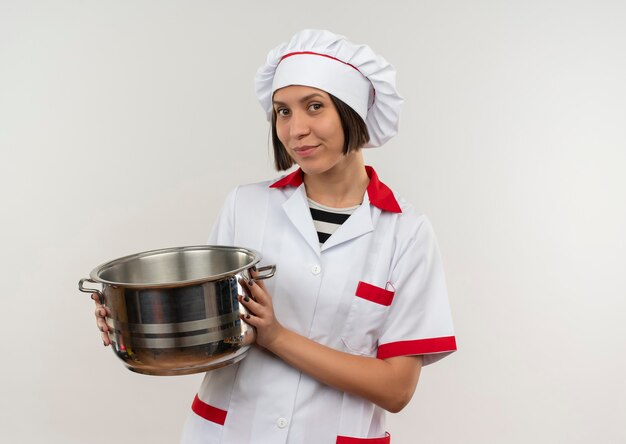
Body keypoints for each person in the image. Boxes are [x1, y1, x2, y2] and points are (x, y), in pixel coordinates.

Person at [93, 29, 456, 443]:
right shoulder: (244, 207)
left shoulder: (405, 231)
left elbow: (396, 389)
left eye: (314, 107)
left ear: (352, 112)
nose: (295, 128)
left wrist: (277, 336)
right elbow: (214, 338)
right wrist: (140, 320)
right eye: (282, 111)